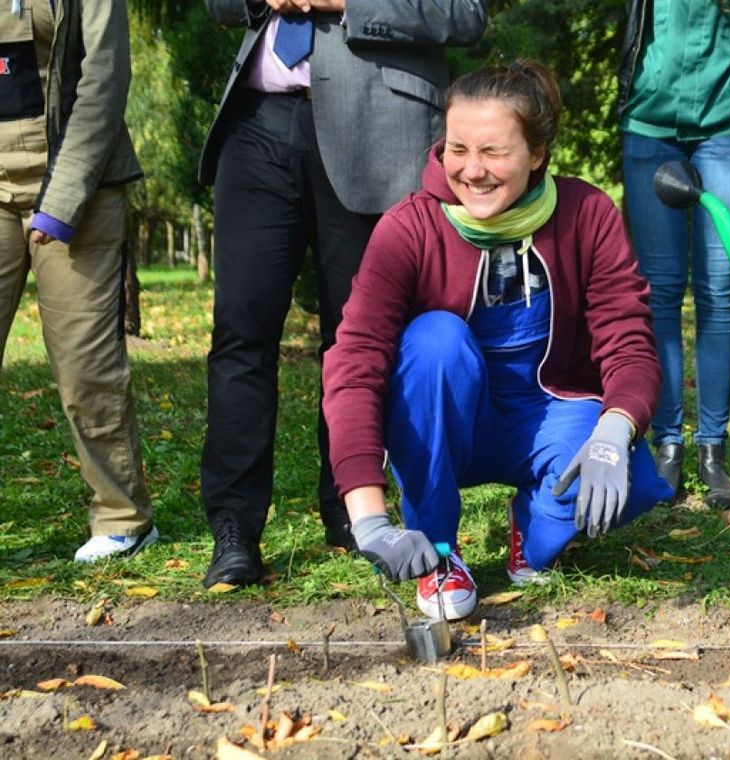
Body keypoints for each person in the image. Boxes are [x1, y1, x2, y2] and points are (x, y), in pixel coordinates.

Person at [322, 61, 674, 620]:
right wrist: (368, 518)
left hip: (549, 412)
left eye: (494, 152)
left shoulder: (587, 214)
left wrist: (615, 429)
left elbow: (629, 340)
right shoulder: (409, 228)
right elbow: (354, 364)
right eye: (458, 149)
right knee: (435, 340)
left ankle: (533, 525)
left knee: (629, 483)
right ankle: (437, 550)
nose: (472, 170)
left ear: (536, 154)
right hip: (450, 422)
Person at [196, 0, 487, 589]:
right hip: (256, 122)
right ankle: (234, 528)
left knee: (356, 337)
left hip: (376, 132)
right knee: (240, 333)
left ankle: (353, 510)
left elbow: (464, 13)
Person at [0, 0, 157, 561]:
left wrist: (64, 196)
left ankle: (122, 518)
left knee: (86, 367)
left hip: (78, 183)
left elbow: (105, 75)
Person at [618, 0, 730, 510]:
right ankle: (668, 444)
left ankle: (712, 449)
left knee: (718, 291)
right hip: (649, 126)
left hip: (729, 129)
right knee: (658, 292)